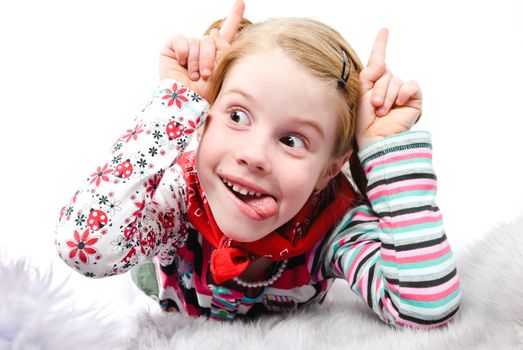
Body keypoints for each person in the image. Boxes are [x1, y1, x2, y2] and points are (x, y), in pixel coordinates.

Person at [55, 0, 461, 328]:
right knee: (137, 264)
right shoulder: (183, 195)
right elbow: (84, 247)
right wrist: (175, 103)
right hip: (164, 276)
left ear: (328, 170)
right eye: (237, 116)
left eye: (291, 140)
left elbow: (425, 309)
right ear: (204, 119)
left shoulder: (333, 225)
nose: (253, 156)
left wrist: (389, 149)